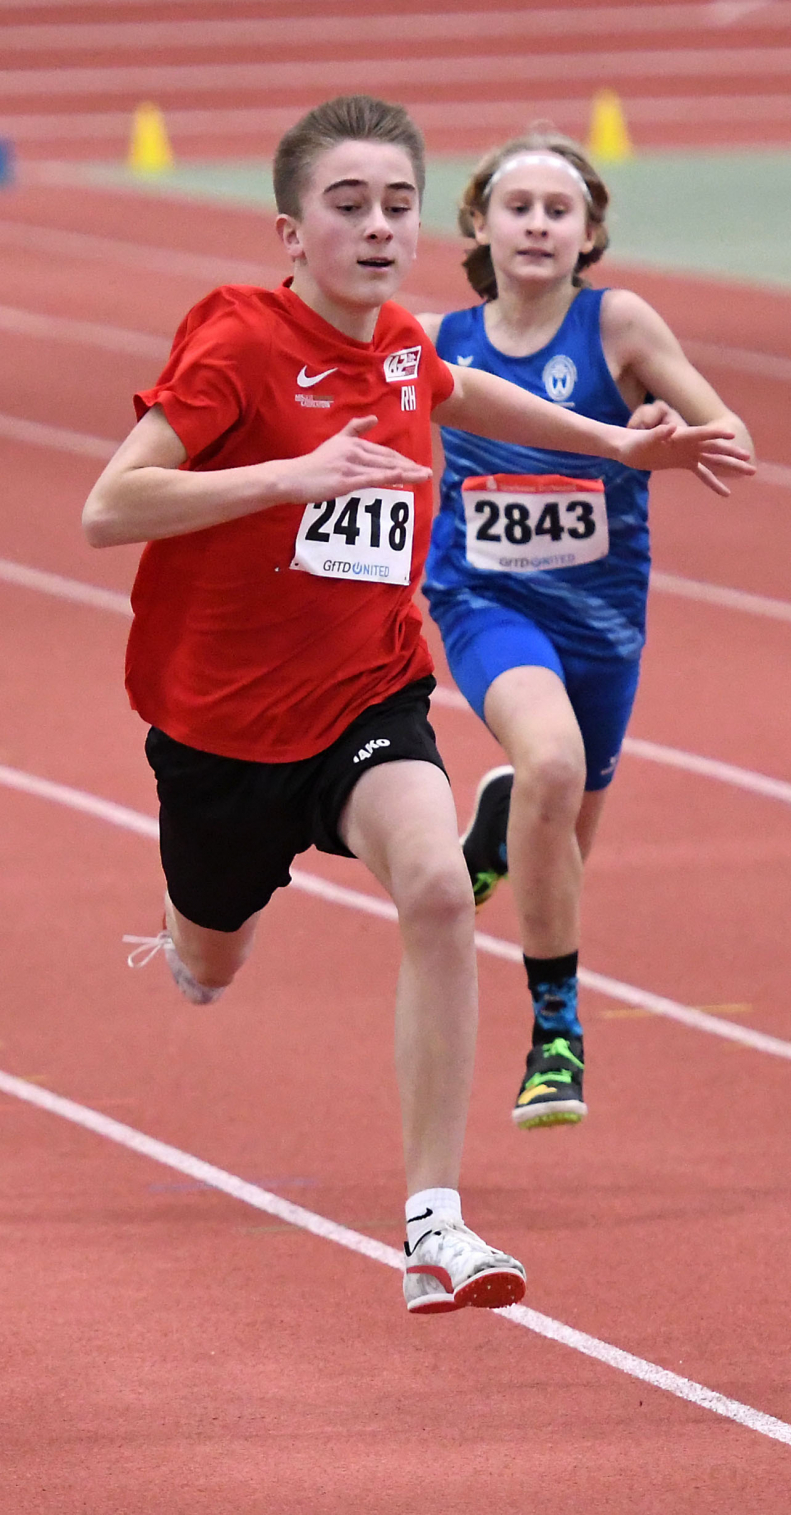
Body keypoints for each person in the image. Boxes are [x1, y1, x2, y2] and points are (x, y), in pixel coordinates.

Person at [82, 97, 752, 1314]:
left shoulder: (399, 341)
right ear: (291, 232)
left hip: (364, 696)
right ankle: (189, 937)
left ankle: (433, 1225)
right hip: (220, 729)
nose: (378, 226)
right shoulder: (234, 341)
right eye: (348, 206)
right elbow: (107, 510)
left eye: (396, 204)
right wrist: (294, 474)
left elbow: (456, 393)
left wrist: (614, 445)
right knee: (209, 956)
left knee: (441, 889)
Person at [418, 130, 754, 1134]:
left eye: (555, 211)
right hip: (483, 604)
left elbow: (724, 436)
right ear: (478, 223)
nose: (534, 225)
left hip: (603, 622)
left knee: (558, 843)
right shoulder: (441, 341)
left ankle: (499, 822)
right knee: (552, 766)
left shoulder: (616, 326)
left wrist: (670, 438)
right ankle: (554, 1036)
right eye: (515, 207)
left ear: (588, 234)